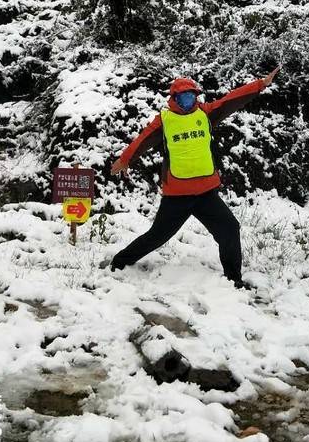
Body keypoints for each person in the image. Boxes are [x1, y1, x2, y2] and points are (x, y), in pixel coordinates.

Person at [108, 67, 281, 288]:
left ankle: (233, 279)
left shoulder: (206, 113)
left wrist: (260, 85)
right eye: (183, 97)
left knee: (229, 228)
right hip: (176, 196)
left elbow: (231, 100)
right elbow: (144, 139)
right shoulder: (165, 120)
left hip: (206, 194)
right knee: (157, 236)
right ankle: (120, 262)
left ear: (196, 97)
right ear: (174, 98)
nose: (187, 101)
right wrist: (126, 159)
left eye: (191, 96)